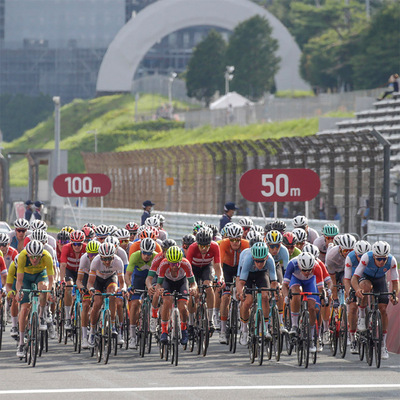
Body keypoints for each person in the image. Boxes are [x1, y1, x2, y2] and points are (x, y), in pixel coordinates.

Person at [351, 241, 399, 360]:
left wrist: (394, 295)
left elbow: (395, 282)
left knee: (383, 309)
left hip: (380, 280)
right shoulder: (366, 257)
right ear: (374, 256)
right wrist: (357, 289)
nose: (382, 262)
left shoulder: (392, 261)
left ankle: (382, 344)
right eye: (379, 259)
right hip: (365, 277)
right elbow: (354, 278)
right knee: (365, 289)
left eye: (384, 259)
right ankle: (362, 316)